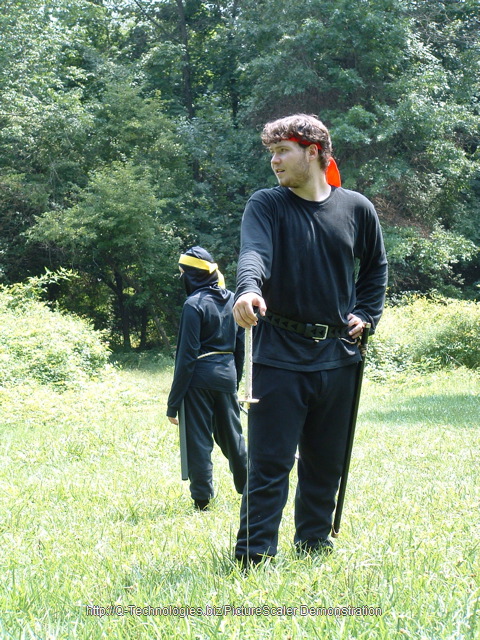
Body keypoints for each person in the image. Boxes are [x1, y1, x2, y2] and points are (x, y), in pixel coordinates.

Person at [233, 113, 388, 564]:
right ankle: (254, 556)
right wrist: (248, 289)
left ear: (314, 152)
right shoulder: (267, 205)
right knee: (270, 463)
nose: (275, 161)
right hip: (278, 353)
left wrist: (367, 314)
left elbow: (375, 268)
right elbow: (254, 253)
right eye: (272, 152)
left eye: (283, 151)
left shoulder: (356, 208)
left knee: (326, 462)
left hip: (339, 354)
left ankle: (314, 546)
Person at [167, 246, 247, 511]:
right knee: (233, 437)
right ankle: (251, 489)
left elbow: (186, 356)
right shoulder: (233, 299)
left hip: (199, 378)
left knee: (199, 439)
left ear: (192, 275)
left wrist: (173, 403)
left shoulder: (194, 304)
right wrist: (233, 383)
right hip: (226, 376)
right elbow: (240, 349)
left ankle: (202, 500)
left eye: (183, 274)